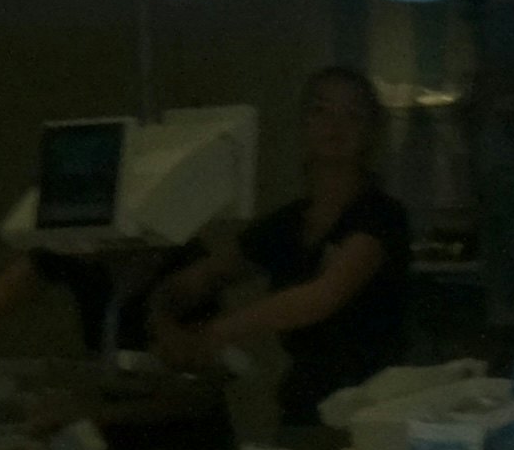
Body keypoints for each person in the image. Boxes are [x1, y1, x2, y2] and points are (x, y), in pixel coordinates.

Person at [151, 64, 414, 419]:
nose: (335, 126)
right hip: (305, 403)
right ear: (303, 124)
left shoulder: (381, 217)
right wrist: (166, 321)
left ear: (371, 131)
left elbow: (319, 298)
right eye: (321, 111)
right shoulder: (288, 223)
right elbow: (201, 278)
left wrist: (217, 332)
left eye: (352, 114)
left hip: (374, 407)